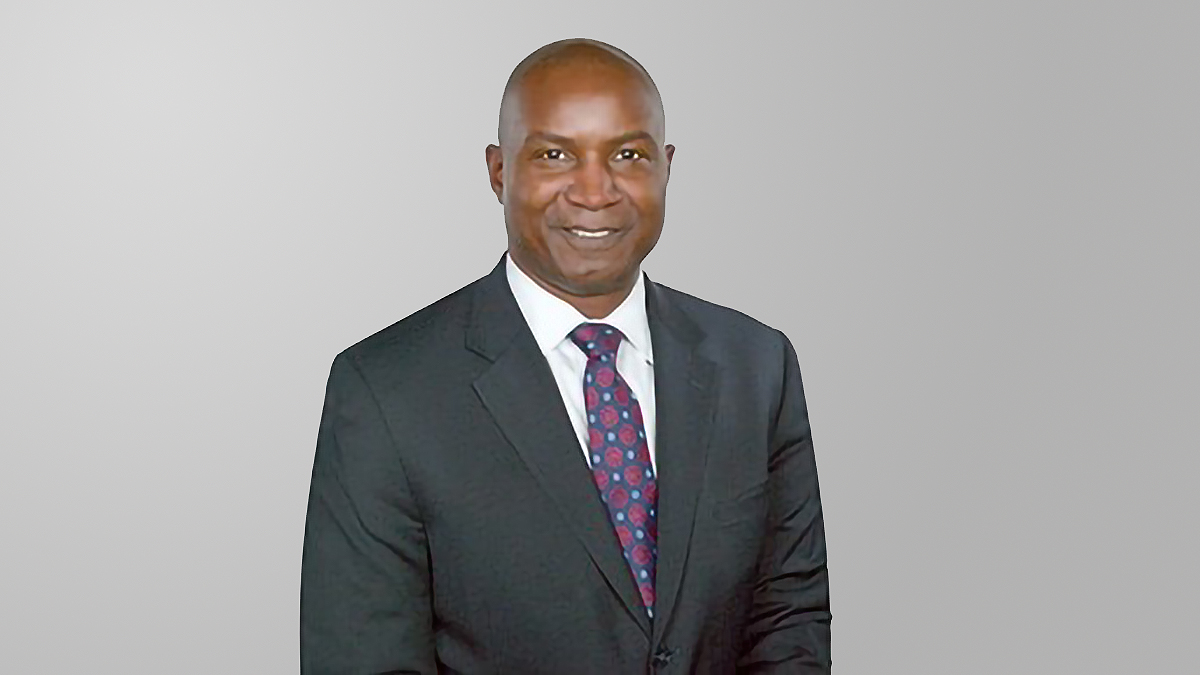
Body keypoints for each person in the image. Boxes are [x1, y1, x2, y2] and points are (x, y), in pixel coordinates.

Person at [300, 38, 831, 673]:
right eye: (555, 155)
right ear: (499, 171)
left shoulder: (758, 366)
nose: (594, 191)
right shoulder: (385, 391)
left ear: (666, 168)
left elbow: (789, 621)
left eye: (628, 155)